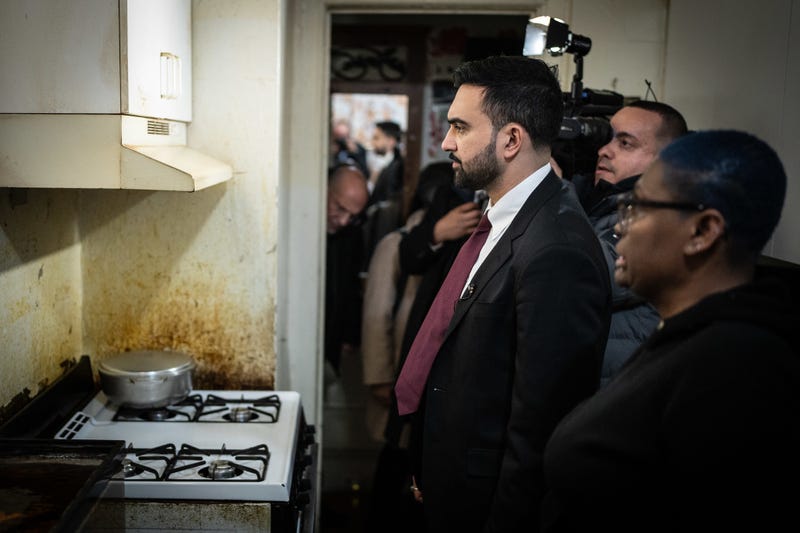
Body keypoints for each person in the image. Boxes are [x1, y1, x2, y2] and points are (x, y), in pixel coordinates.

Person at [393, 55, 612, 532]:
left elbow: (540, 430)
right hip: (449, 480)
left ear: (511, 139)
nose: (447, 142)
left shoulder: (558, 248)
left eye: (459, 128)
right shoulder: (502, 219)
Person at [541, 130, 800, 532]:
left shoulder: (734, 366)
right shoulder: (687, 336)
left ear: (702, 231)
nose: (620, 227)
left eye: (637, 207)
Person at [561, 101, 689, 385]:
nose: (604, 151)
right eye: (606, 140)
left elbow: (580, 275)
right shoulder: (594, 200)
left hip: (615, 396)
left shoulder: (666, 216)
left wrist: (551, 193)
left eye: (625, 143)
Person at [325, 164, 369, 374]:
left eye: (352, 215)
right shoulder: (297, 224)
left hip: (331, 340)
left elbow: (350, 284)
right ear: (325, 190)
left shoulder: (353, 234)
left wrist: (350, 332)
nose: (343, 221)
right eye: (340, 208)